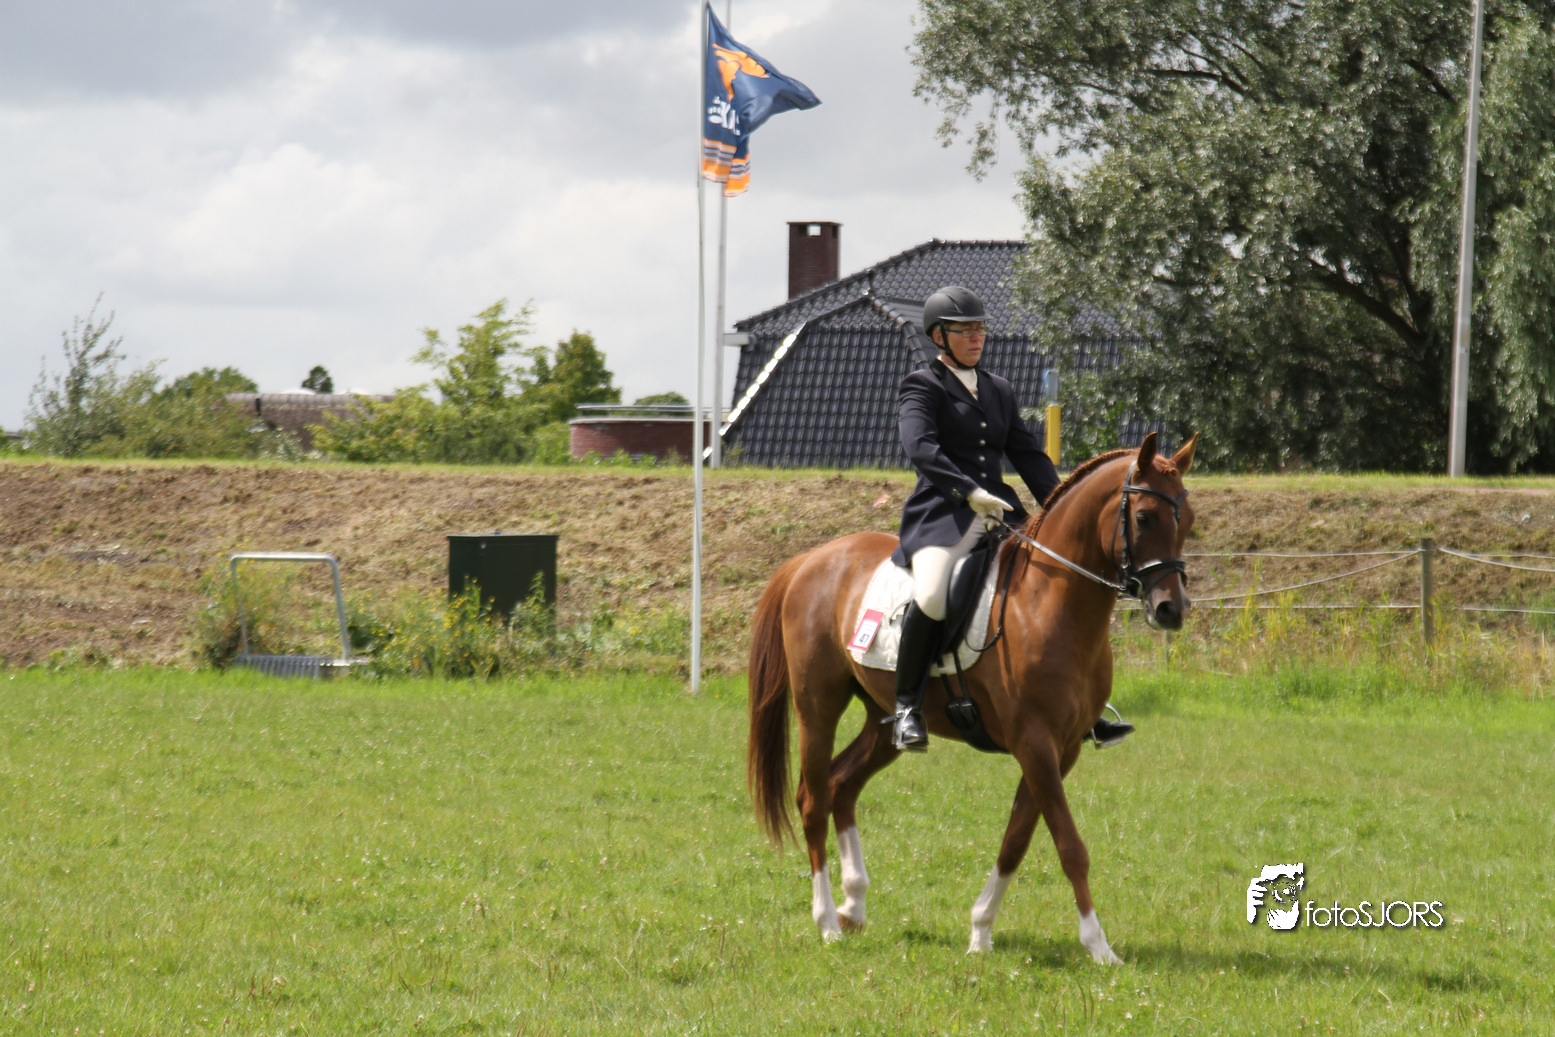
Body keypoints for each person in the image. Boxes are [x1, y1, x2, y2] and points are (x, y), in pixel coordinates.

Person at [889, 285, 1134, 752]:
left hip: (1000, 515)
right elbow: (921, 448)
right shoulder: (922, 385)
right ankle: (906, 708)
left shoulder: (998, 388)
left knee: (1051, 586)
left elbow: (1028, 455)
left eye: (980, 329)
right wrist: (968, 492)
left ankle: (1080, 705)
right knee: (933, 594)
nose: (976, 337)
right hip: (943, 515)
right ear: (939, 337)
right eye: (965, 330)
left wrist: (1063, 505)